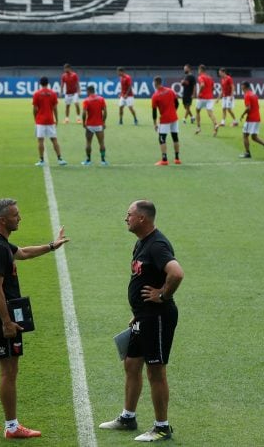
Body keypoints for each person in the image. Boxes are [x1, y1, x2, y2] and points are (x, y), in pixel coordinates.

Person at [0, 198, 69, 439]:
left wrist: (52, 246)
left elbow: (22, 253)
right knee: (9, 371)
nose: (19, 218)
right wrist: (6, 322)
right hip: (3, 318)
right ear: (3, 219)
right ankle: (12, 427)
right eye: (15, 215)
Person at [99, 200, 183, 443]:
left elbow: (176, 273)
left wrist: (163, 295)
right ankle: (128, 418)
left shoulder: (157, 245)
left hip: (157, 317)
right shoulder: (141, 242)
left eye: (129, 215)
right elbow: (144, 276)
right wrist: (138, 310)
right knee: (131, 364)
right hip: (143, 316)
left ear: (142, 219)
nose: (126, 218)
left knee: (155, 370)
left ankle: (162, 427)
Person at [32, 76, 67, 166]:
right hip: (50, 120)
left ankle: (41, 160)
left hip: (40, 121)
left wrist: (35, 119)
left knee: (40, 141)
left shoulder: (37, 94)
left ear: (40, 83)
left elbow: (35, 109)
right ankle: (60, 159)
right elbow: (55, 108)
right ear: (48, 83)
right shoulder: (52, 94)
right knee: (54, 140)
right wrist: (57, 119)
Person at [238, 81, 264, 159]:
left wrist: (242, 115)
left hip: (251, 119)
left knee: (245, 135)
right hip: (257, 118)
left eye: (241, 86)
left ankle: (247, 153)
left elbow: (248, 108)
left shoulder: (247, 95)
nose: (241, 87)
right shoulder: (253, 94)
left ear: (244, 86)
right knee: (254, 137)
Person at [151, 77, 181, 166]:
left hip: (164, 119)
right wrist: (172, 111)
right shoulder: (170, 91)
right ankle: (177, 159)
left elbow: (154, 112)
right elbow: (177, 103)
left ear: (156, 83)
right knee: (175, 137)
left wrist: (155, 124)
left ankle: (164, 160)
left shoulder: (155, 96)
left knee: (162, 138)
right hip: (174, 118)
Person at [81, 84, 108, 165]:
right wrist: (103, 122)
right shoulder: (101, 99)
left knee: (88, 143)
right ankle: (103, 160)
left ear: (89, 91)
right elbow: (105, 112)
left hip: (90, 125)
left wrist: (83, 122)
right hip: (99, 125)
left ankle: (88, 160)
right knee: (102, 143)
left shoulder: (86, 100)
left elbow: (84, 113)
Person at [194, 64, 219, 136]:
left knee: (197, 111)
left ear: (201, 70)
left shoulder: (200, 77)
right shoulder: (210, 78)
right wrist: (209, 92)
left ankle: (198, 127)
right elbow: (213, 88)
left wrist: (199, 92)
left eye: (198, 70)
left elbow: (202, 85)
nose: (198, 71)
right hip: (210, 98)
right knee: (210, 113)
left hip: (202, 98)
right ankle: (216, 124)